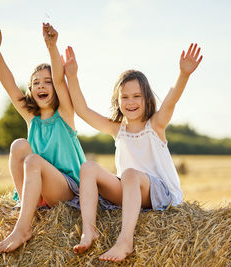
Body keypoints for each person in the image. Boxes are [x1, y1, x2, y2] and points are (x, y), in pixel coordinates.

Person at [63, 43, 203, 262]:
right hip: (129, 191)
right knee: (88, 167)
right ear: (118, 101)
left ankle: (125, 241)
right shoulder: (117, 130)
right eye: (125, 97)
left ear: (147, 99)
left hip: (158, 193)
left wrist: (183, 74)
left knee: (129, 173)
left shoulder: (155, 125)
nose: (130, 102)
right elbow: (82, 110)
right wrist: (72, 76)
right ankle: (89, 231)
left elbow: (171, 100)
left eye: (136, 96)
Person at [0, 23, 85, 253]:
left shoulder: (65, 115)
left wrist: (52, 46)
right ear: (31, 91)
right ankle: (26, 206)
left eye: (47, 81)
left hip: (69, 189)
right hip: (42, 189)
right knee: (19, 145)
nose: (41, 85)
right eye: (36, 83)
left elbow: (62, 81)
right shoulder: (32, 119)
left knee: (32, 161)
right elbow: (10, 86)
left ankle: (24, 228)